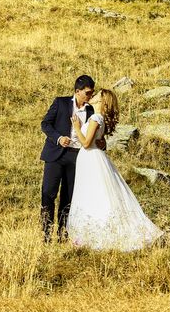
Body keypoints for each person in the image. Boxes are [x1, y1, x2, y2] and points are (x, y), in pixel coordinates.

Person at [66, 89, 164, 251]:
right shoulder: (98, 118)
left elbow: (86, 143)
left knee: (92, 193)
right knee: (97, 192)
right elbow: (96, 141)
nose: (93, 96)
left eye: (96, 95)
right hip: (92, 157)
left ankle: (95, 234)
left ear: (102, 101)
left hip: (90, 157)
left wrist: (77, 128)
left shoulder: (95, 118)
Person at [39, 75, 105, 243]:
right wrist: (59, 138)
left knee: (68, 197)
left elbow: (93, 135)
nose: (90, 96)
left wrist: (101, 142)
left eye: (92, 93)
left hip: (77, 157)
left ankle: (63, 234)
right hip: (55, 154)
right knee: (48, 193)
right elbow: (45, 124)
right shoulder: (60, 103)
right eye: (87, 93)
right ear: (77, 91)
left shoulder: (91, 111)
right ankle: (46, 234)